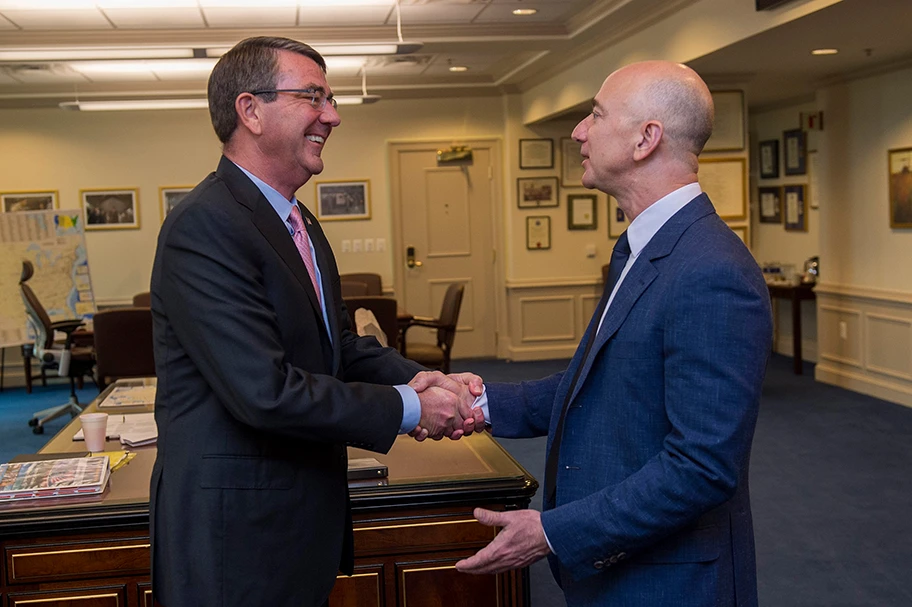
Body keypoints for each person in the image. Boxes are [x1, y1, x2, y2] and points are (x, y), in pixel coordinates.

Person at [431, 61, 773, 606]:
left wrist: (550, 531)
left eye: (595, 114)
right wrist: (480, 402)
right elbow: (603, 387)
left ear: (646, 139)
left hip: (671, 583)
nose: (578, 132)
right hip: (622, 572)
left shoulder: (712, 271)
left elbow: (703, 467)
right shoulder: (639, 250)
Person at [149, 36, 474, 607]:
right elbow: (265, 392)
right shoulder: (203, 227)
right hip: (238, 539)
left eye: (331, 99)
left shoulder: (298, 221)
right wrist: (413, 408)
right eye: (314, 97)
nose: (334, 115)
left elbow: (336, 346)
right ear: (250, 110)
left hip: (294, 520)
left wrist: (421, 379)